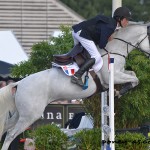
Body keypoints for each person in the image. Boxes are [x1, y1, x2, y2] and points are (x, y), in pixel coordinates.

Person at [71, 6, 132, 87]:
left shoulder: (111, 22)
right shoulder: (111, 26)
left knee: (83, 54)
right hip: (82, 34)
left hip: (77, 31)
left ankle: (78, 72)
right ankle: (76, 76)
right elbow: (101, 45)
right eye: (126, 20)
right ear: (120, 18)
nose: (127, 22)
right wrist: (108, 39)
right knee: (96, 57)